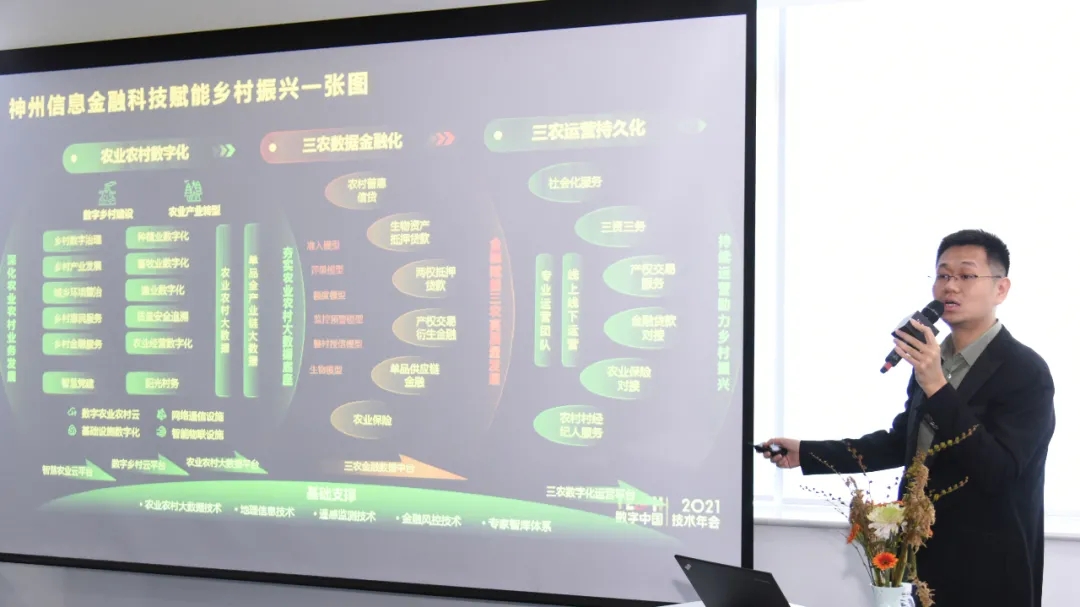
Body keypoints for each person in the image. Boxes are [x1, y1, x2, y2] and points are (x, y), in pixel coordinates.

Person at [763, 229, 1055, 607]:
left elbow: (999, 470)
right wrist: (806, 453)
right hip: (924, 561)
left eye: (966, 275)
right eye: (943, 274)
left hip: (989, 568)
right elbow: (901, 444)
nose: (950, 286)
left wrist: (937, 386)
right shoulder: (931, 361)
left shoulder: (1025, 371)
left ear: (1001, 289)